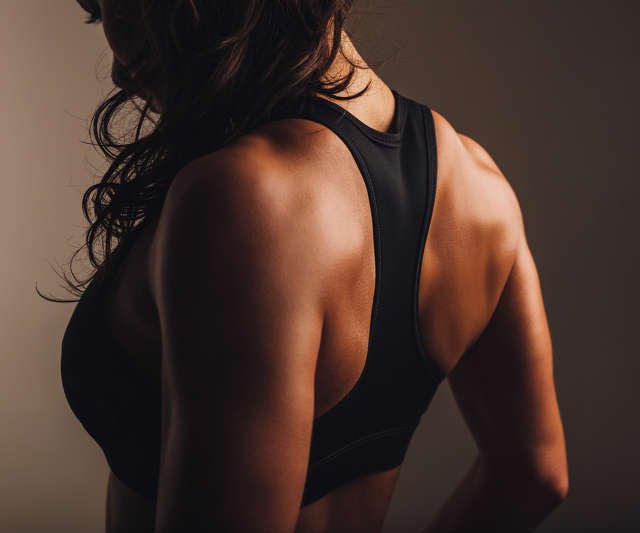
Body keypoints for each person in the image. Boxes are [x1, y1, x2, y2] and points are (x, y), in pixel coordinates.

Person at [56, 1, 568, 531]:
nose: (119, 66)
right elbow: (534, 475)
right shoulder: (479, 183)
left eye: (115, 8)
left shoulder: (245, 198)